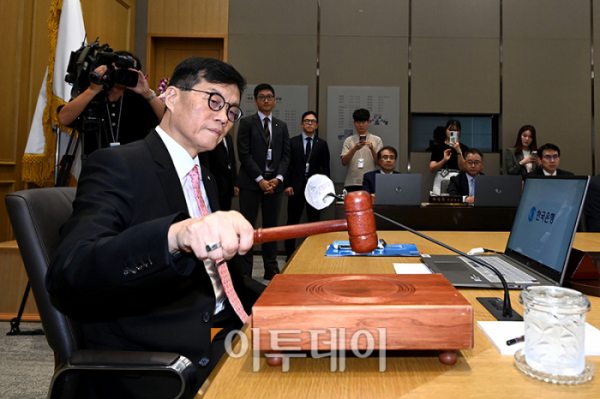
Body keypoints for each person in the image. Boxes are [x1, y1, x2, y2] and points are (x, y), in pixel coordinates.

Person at [47, 57, 263, 398]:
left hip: (227, 326)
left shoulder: (203, 176)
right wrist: (174, 236)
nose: (224, 117)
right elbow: (70, 270)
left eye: (232, 110)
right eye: (214, 101)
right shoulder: (117, 165)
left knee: (337, 348)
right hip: (170, 353)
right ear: (172, 98)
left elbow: (222, 278)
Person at [57, 51, 165, 155]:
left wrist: (148, 93)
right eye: (118, 66)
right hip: (95, 166)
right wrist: (92, 90)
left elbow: (168, 121)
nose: (122, 72)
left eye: (128, 69)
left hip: (133, 166)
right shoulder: (92, 94)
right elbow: (63, 118)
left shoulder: (139, 99)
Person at [237, 84, 291, 280]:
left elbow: (286, 156)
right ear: (255, 100)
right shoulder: (246, 123)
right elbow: (244, 153)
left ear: (275, 100)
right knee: (247, 228)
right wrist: (260, 179)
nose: (266, 100)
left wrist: (278, 179)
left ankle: (270, 267)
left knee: (271, 228)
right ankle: (245, 270)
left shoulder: (281, 126)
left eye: (269, 97)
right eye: (262, 97)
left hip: (274, 185)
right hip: (251, 184)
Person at [284, 111, 331, 259]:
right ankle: (289, 252)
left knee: (314, 221)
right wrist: (287, 184)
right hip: (295, 188)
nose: (310, 123)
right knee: (292, 221)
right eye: (307, 121)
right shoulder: (292, 142)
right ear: (301, 124)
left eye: (312, 121)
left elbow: (326, 168)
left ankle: (313, 251)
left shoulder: (322, 144)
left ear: (317, 125)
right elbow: (286, 166)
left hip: (315, 190)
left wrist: (325, 189)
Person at [341, 108, 383, 192]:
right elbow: (344, 162)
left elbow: (380, 163)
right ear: (354, 123)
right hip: (352, 182)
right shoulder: (349, 140)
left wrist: (372, 149)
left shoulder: (377, 139)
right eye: (358, 122)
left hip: (370, 181)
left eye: (363, 122)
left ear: (368, 122)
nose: (360, 125)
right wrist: (354, 149)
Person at [429, 119, 469, 195]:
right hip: (441, 176)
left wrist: (458, 150)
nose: (452, 132)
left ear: (459, 132)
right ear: (445, 131)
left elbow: (463, 167)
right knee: (438, 203)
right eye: (450, 130)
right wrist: (444, 160)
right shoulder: (438, 147)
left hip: (457, 177)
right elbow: (432, 168)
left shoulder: (464, 148)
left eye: (455, 130)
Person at [201, 132, 238, 210]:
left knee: (226, 213)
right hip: (215, 185)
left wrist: (235, 183)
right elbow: (206, 163)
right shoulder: (209, 137)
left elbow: (232, 161)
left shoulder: (228, 137)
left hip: (228, 187)